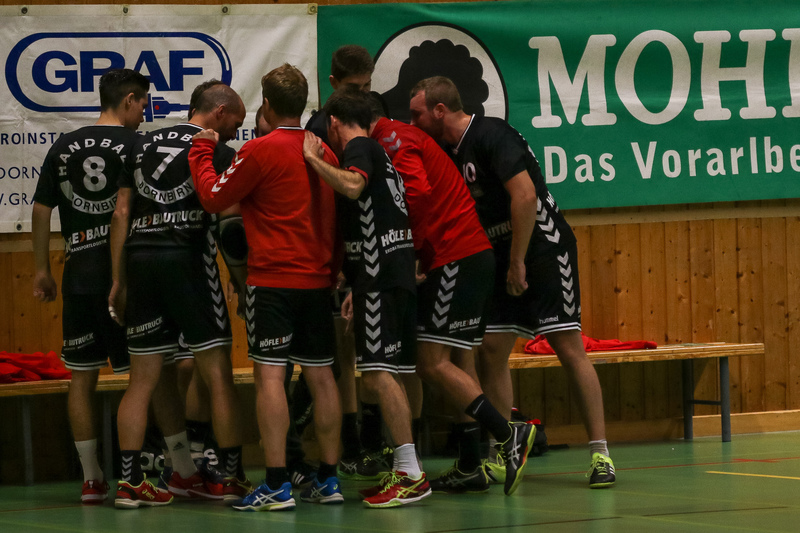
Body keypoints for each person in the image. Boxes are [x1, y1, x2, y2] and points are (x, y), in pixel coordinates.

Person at [410, 76, 616, 489]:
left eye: (417, 114)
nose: (411, 122)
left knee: (567, 345)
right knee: (491, 350)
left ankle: (601, 453)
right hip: (500, 252)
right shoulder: (447, 152)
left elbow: (524, 196)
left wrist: (518, 260)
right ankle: (503, 452)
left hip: (541, 248)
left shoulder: (492, 133)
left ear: (439, 110)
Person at [189, 64, 344, 511]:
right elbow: (338, 221)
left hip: (273, 282)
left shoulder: (259, 150)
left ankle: (276, 483)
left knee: (271, 378)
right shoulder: (324, 153)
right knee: (321, 377)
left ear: (268, 105)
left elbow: (213, 198)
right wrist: (332, 271)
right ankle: (329, 480)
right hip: (317, 280)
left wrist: (201, 151)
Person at [109, 80, 249, 509]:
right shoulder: (218, 152)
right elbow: (230, 225)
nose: (234, 133)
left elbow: (121, 212)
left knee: (144, 379)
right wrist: (242, 282)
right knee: (217, 373)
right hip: (189, 262)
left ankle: (135, 481)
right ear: (219, 111)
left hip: (140, 261)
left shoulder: (140, 145)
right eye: (235, 124)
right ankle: (230, 476)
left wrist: (118, 280)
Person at [303, 89, 431, 508]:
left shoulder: (359, 146)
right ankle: (407, 468)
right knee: (390, 372)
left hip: (381, 279)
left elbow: (353, 186)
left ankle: (410, 473)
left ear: (334, 123)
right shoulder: (379, 153)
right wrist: (355, 282)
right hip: (387, 277)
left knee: (376, 375)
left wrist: (313, 159)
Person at [31, 68, 149, 505]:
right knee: (142, 378)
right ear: (129, 99)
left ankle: (91, 479)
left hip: (78, 276)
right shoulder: (135, 144)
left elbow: (40, 210)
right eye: (143, 104)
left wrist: (41, 270)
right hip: (125, 278)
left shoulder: (63, 146)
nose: (144, 113)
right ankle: (141, 472)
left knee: (81, 378)